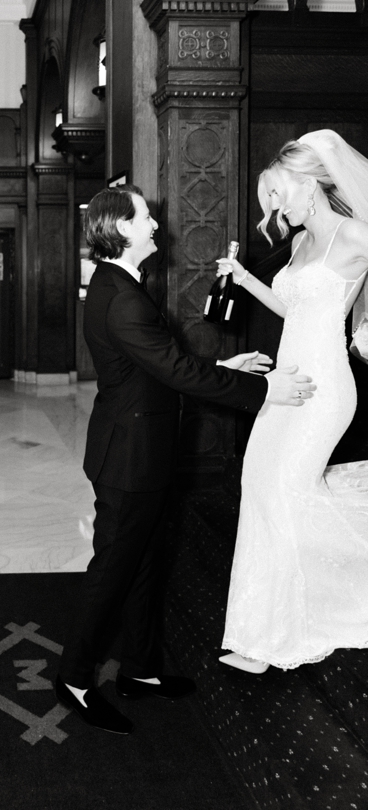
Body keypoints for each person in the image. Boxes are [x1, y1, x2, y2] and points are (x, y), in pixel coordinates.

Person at [55, 184, 316, 735]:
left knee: (147, 564)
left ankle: (140, 671)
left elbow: (161, 363)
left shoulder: (119, 284)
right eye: (147, 217)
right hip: (128, 459)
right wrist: (263, 389)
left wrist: (233, 366)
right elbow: (173, 371)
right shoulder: (122, 295)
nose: (156, 225)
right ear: (121, 229)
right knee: (113, 571)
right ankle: (74, 678)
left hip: (139, 452)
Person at [218, 130, 368, 675]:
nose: (274, 208)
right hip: (284, 384)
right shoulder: (303, 243)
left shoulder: (354, 234)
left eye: (279, 195)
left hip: (325, 388)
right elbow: (293, 308)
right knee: (258, 484)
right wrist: (243, 279)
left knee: (284, 490)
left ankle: (277, 639)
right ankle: (259, 630)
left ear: (311, 186)